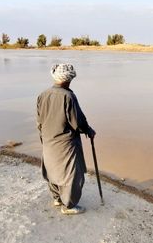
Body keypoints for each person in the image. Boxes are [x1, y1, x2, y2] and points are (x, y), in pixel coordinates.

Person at [36, 63, 96, 215]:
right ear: (69, 79)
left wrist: (44, 137)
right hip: (65, 143)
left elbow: (39, 120)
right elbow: (77, 122)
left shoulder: (43, 95)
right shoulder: (68, 96)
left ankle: (57, 198)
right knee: (71, 175)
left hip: (48, 140)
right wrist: (88, 130)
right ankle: (68, 206)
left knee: (52, 170)